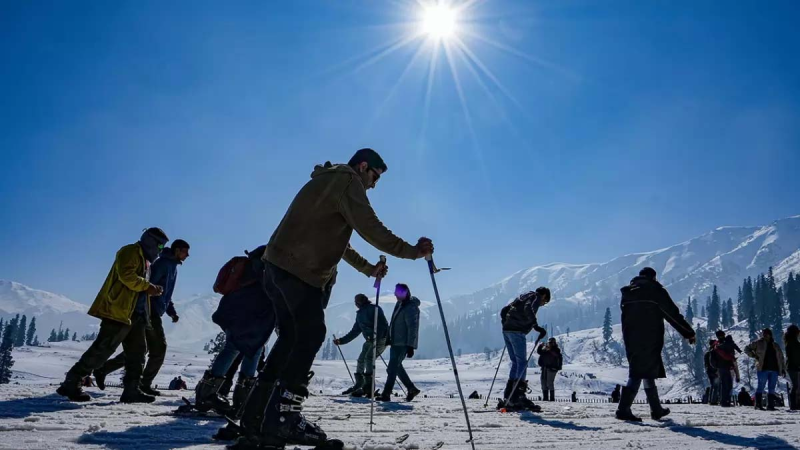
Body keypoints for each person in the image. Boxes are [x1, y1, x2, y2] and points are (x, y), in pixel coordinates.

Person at [235, 148, 434, 450]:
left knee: (290, 338)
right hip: (300, 271)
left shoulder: (326, 182)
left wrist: (369, 269)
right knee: (312, 333)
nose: (374, 184)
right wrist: (412, 251)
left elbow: (340, 244)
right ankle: (284, 416)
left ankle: (256, 416)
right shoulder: (347, 181)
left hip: (276, 267)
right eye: (375, 176)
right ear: (363, 166)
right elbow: (372, 228)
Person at [56, 228, 169, 403]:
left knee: (138, 353)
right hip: (119, 311)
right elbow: (127, 276)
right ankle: (72, 381)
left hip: (136, 314)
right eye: (160, 245)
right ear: (151, 241)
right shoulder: (130, 251)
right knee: (102, 349)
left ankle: (132, 390)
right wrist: (148, 287)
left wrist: (150, 290)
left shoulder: (146, 261)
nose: (161, 249)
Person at [93, 239, 190, 395]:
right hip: (149, 312)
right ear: (177, 250)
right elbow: (149, 286)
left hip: (154, 312)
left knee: (138, 350)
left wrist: (171, 311)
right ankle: (143, 384)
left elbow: (164, 293)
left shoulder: (172, 267)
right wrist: (146, 310)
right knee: (157, 349)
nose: (187, 255)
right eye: (185, 251)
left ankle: (104, 369)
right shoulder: (162, 264)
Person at [615, 267, 696, 422]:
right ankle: (623, 409)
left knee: (646, 370)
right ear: (653, 277)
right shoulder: (655, 291)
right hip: (649, 337)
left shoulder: (628, 293)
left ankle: (656, 409)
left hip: (630, 338)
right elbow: (672, 314)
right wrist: (689, 333)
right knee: (638, 372)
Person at [497, 287, 552, 412]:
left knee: (515, 362)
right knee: (522, 362)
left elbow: (504, 310)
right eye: (545, 301)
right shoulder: (536, 297)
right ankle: (518, 396)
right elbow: (528, 309)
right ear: (544, 295)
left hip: (507, 330)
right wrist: (536, 326)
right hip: (517, 331)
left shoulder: (523, 296)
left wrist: (506, 324)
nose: (543, 303)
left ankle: (509, 396)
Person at [333, 293, 389, 398]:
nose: (355, 304)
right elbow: (355, 331)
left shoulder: (374, 309)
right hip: (369, 340)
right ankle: (359, 385)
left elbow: (383, 325)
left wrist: (377, 337)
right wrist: (341, 341)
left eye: (356, 301)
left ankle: (368, 387)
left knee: (369, 358)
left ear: (360, 301)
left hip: (381, 339)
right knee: (361, 360)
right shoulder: (360, 314)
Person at [377, 284, 422, 402]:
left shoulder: (411, 307)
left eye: (397, 292)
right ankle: (411, 388)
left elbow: (413, 328)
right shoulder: (400, 304)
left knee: (392, 368)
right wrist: (389, 338)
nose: (395, 295)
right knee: (395, 367)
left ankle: (386, 394)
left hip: (403, 343)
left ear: (405, 293)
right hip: (395, 342)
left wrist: (411, 346)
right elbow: (393, 322)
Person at [745, 328, 787, 411]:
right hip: (762, 368)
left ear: (770, 335)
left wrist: (783, 369)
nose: (765, 335)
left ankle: (770, 406)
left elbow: (781, 358)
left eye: (767, 334)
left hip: (774, 369)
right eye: (764, 334)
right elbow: (747, 349)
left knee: (772, 388)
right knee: (761, 386)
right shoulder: (758, 343)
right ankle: (758, 405)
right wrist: (754, 356)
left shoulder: (775, 345)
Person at [537, 337, 562, 402]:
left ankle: (552, 398)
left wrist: (549, 349)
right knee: (543, 383)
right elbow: (539, 352)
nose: (550, 344)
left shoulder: (556, 350)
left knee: (549, 383)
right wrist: (540, 346)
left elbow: (556, 355)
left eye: (551, 342)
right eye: (550, 343)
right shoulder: (546, 350)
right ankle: (545, 398)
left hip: (552, 368)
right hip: (544, 367)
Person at [784, 324, 800, 410]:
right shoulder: (793, 343)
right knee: (795, 385)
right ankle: (793, 404)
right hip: (793, 366)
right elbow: (795, 356)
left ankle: (794, 403)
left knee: (795, 385)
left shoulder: (790, 342)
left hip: (792, 366)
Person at [704, 339, 720, 405]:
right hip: (714, 371)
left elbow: (706, 364)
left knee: (713, 386)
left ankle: (711, 399)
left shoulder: (707, 353)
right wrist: (716, 370)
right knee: (716, 386)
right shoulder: (713, 352)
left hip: (709, 371)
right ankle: (714, 400)